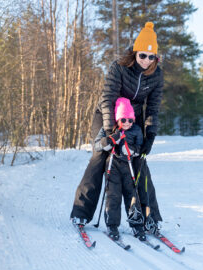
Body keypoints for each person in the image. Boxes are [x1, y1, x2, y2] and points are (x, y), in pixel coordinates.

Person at [70, 22, 163, 233]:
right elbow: (108, 98)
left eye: (151, 57)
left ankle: (149, 217)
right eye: (142, 55)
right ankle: (81, 213)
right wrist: (112, 132)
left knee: (139, 162)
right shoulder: (119, 67)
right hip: (107, 115)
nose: (146, 61)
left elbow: (153, 109)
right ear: (134, 53)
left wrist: (150, 135)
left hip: (133, 119)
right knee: (100, 156)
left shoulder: (156, 75)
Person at [94, 97, 147, 241]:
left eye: (130, 120)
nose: (127, 123)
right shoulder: (111, 129)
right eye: (123, 120)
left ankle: (137, 225)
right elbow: (98, 145)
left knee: (132, 195)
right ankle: (112, 225)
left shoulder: (136, 130)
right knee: (113, 195)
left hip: (129, 166)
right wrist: (111, 140)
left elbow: (139, 147)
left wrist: (129, 150)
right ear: (118, 119)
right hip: (113, 165)